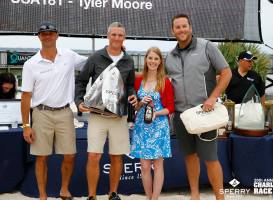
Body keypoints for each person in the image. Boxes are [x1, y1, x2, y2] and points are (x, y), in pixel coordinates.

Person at [165, 14, 232, 200]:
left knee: (210, 158)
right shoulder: (170, 57)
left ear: (190, 27)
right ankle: (195, 195)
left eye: (184, 26)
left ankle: (220, 197)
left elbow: (226, 73)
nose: (181, 30)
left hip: (205, 114)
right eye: (177, 27)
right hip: (181, 117)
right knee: (190, 157)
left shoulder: (207, 47)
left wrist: (212, 98)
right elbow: (163, 84)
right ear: (173, 31)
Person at [21, 21, 87, 200]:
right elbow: (26, 96)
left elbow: (90, 64)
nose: (47, 36)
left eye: (51, 33)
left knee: (70, 155)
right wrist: (26, 124)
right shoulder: (31, 64)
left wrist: (111, 51)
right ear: (39, 37)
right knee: (41, 157)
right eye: (44, 33)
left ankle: (64, 189)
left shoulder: (69, 56)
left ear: (57, 35)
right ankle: (43, 196)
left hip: (65, 113)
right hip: (41, 114)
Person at [75, 22, 137, 200]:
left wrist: (132, 96)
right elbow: (80, 81)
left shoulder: (129, 60)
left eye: (120, 35)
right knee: (93, 155)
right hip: (97, 115)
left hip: (119, 116)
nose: (117, 38)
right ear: (108, 36)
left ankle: (113, 193)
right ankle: (92, 196)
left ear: (124, 38)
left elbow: (130, 85)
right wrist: (79, 101)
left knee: (117, 156)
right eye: (114, 34)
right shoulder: (96, 57)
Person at [130, 47, 174, 200]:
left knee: (158, 165)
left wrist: (156, 113)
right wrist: (141, 102)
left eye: (156, 59)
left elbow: (171, 108)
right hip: (142, 126)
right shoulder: (138, 81)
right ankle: (149, 197)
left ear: (160, 61)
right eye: (150, 58)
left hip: (159, 126)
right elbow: (134, 107)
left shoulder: (165, 81)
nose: (153, 61)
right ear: (146, 59)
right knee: (144, 166)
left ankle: (154, 198)